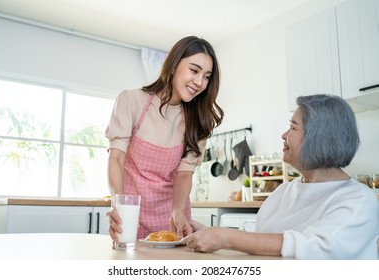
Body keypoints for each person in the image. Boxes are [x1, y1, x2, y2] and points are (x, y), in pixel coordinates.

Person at [181, 94, 379, 259]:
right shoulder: (284, 191)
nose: (284, 135)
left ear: (318, 138)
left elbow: (318, 247)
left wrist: (226, 237)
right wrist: (208, 234)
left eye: (293, 127)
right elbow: (261, 242)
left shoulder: (360, 200)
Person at [105, 36, 224, 246]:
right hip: (130, 214)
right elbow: (116, 159)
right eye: (194, 70)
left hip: (173, 218)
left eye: (206, 76)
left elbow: (184, 173)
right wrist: (119, 204)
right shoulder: (132, 101)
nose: (199, 82)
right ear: (172, 66)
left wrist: (178, 212)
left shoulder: (199, 121)